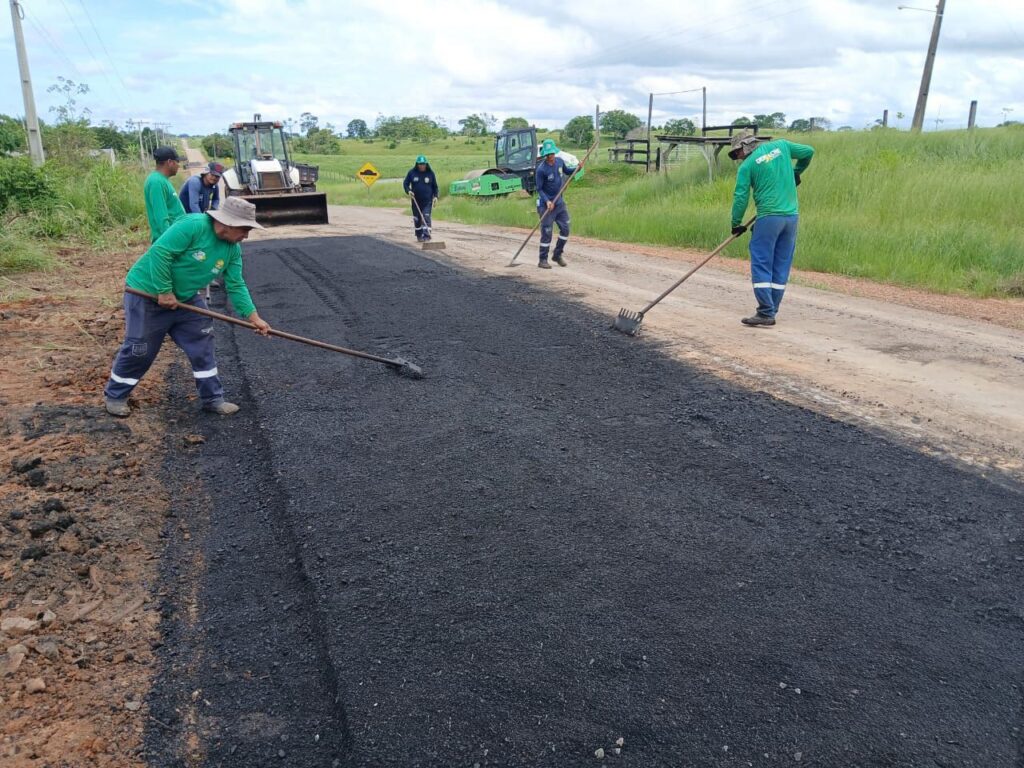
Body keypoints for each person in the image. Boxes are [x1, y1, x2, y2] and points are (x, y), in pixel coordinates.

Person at [102, 197, 271, 418]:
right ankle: (116, 396)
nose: (246, 236)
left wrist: (253, 317)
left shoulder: (232, 249)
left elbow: (236, 284)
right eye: (244, 229)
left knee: (202, 344)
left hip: (185, 298)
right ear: (228, 223)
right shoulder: (193, 226)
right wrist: (164, 291)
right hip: (147, 293)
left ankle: (212, 399)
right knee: (140, 349)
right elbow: (160, 252)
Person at [729, 130, 814, 327]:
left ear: (745, 146)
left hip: (768, 218)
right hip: (791, 218)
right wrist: (796, 172)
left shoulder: (747, 166)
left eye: (736, 153)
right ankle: (771, 310)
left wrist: (736, 224)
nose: (737, 157)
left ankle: (766, 311)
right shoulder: (782, 146)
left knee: (761, 262)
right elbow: (809, 151)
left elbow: (740, 197)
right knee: (781, 264)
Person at [534, 138, 576, 269]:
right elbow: (539, 189)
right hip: (546, 206)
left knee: (565, 229)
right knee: (547, 233)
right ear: (545, 155)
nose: (550, 156)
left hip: (559, 203)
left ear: (554, 153)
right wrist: (547, 201)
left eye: (552, 153)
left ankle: (557, 255)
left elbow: (568, 171)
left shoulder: (559, 162)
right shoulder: (541, 170)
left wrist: (577, 168)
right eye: (548, 154)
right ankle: (542, 260)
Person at [145, 146, 186, 243]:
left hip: (175, 236)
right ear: (170, 162)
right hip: (169, 240)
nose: (178, 166)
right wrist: (170, 241)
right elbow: (161, 218)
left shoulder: (162, 180)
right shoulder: (156, 182)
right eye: (177, 162)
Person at [402, 155, 438, 242]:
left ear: (426, 164)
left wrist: (436, 196)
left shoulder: (430, 173)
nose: (422, 166)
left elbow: (435, 187)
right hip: (416, 200)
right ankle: (419, 235)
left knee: (426, 217)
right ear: (417, 164)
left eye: (423, 164)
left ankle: (427, 236)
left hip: (427, 201)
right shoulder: (412, 173)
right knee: (417, 218)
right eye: (420, 164)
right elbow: (405, 183)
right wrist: (409, 191)